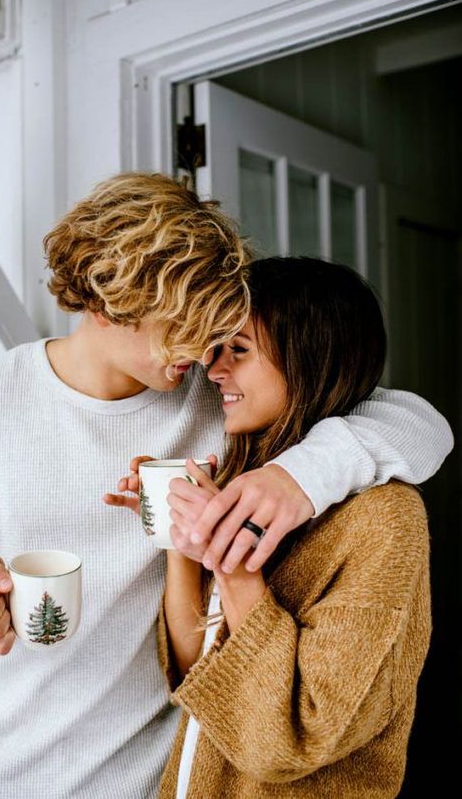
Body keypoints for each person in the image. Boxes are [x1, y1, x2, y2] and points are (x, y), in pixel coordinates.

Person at [0, 173, 452, 799]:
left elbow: (419, 423)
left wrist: (294, 475)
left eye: (215, 326)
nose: (202, 347)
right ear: (109, 304)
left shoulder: (219, 396)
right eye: (181, 324)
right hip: (5, 769)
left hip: (166, 776)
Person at [154, 256, 436, 798]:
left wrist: (235, 572)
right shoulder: (247, 483)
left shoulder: (384, 521)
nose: (212, 368)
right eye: (215, 347)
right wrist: (183, 541)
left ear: (312, 359)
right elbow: (198, 675)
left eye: (239, 349)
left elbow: (288, 741)